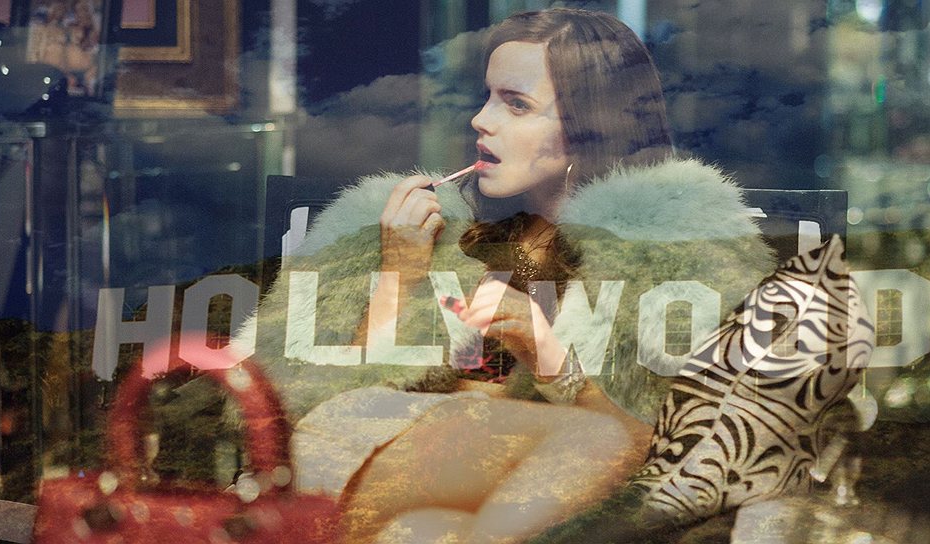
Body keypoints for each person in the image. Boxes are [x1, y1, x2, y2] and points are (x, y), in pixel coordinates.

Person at [235, 8, 788, 543]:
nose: (481, 119)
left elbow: (673, 447)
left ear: (590, 128)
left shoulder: (668, 257)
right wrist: (400, 275)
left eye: (516, 104)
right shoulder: (424, 227)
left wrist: (551, 359)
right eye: (488, 96)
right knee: (592, 438)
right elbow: (317, 403)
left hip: (511, 502)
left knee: (421, 534)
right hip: (360, 458)